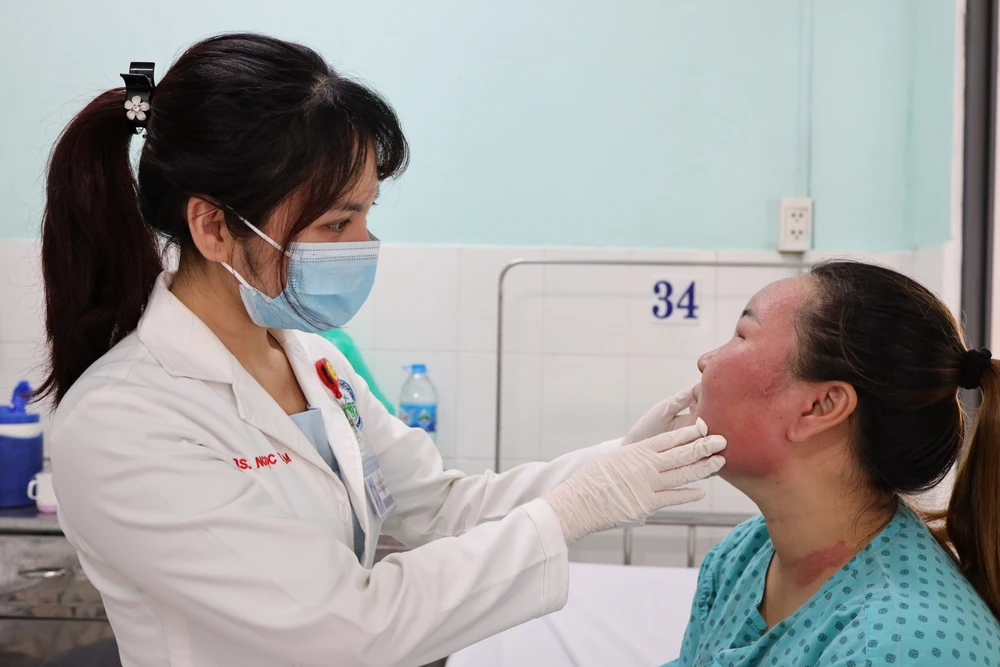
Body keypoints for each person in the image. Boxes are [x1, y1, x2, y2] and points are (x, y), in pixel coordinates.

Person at [39, 33, 726, 667]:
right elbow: (345, 623)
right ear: (214, 227)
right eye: (337, 221)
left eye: (367, 213)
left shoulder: (313, 361)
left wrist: (620, 463)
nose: (363, 245)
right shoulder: (122, 423)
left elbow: (443, 506)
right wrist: (575, 508)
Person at [662, 261, 1000, 666]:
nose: (706, 359)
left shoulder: (904, 644)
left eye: (740, 334)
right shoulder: (743, 556)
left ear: (821, 406)